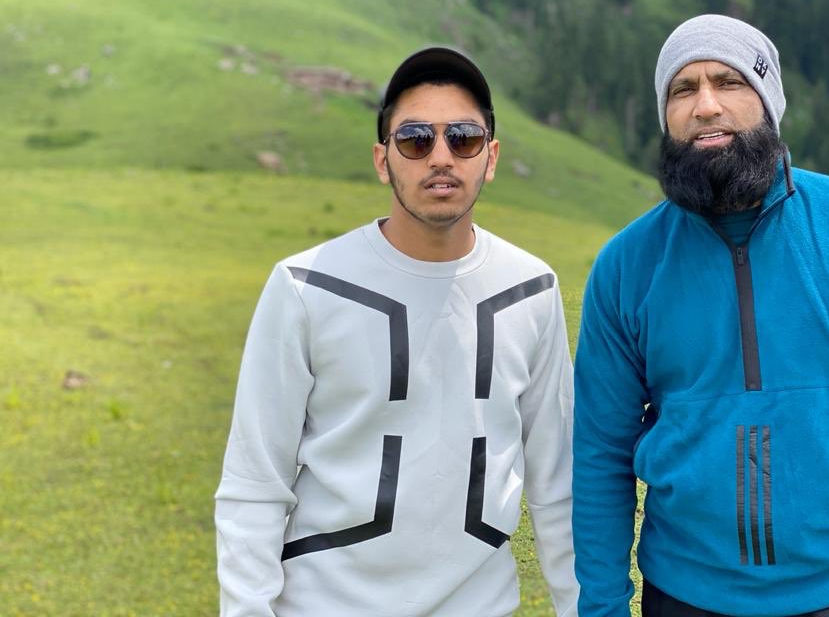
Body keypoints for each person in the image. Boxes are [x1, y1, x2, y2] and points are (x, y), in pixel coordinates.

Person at [572, 14, 829, 617]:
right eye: (683, 89)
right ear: (665, 115)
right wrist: (603, 607)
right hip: (685, 595)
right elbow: (600, 453)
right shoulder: (627, 266)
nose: (706, 105)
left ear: (768, 100)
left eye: (729, 81)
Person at [215, 47, 578, 617]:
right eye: (415, 139)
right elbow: (254, 485)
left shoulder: (531, 289)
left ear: (491, 157)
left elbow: (558, 487)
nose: (441, 157)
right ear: (383, 160)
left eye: (463, 138)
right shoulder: (305, 287)